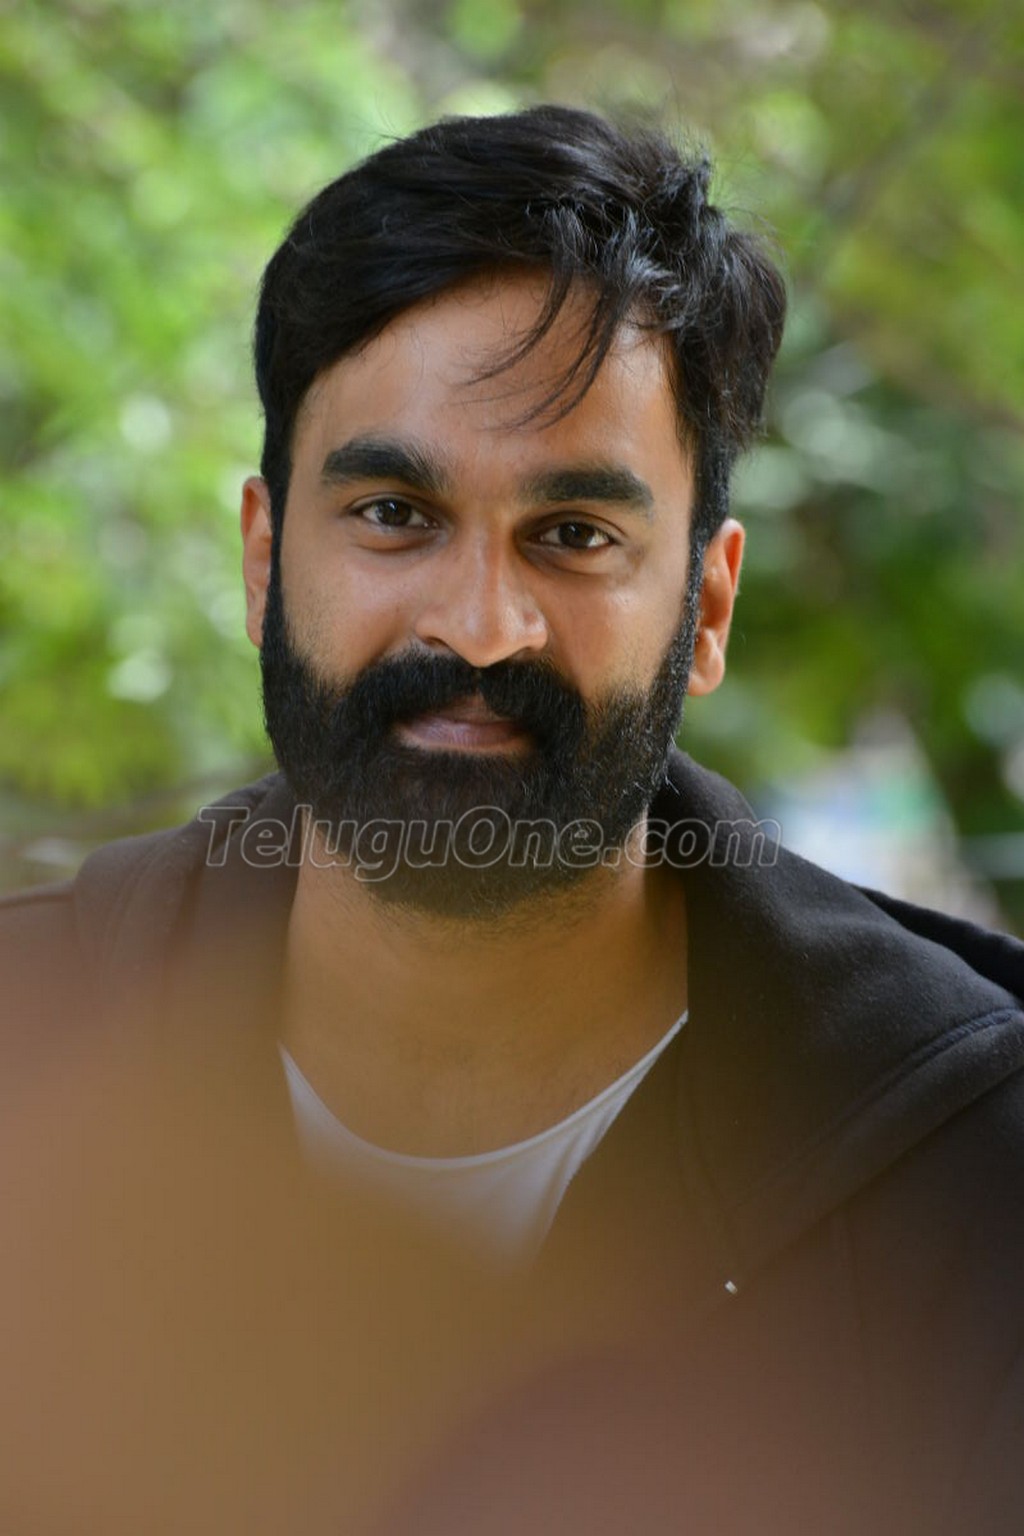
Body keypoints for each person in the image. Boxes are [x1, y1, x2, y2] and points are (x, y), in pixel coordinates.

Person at [3, 105, 1023, 1533]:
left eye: (576, 535)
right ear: (263, 561)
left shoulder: (975, 1186)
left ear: (706, 607)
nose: (482, 625)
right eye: (393, 513)